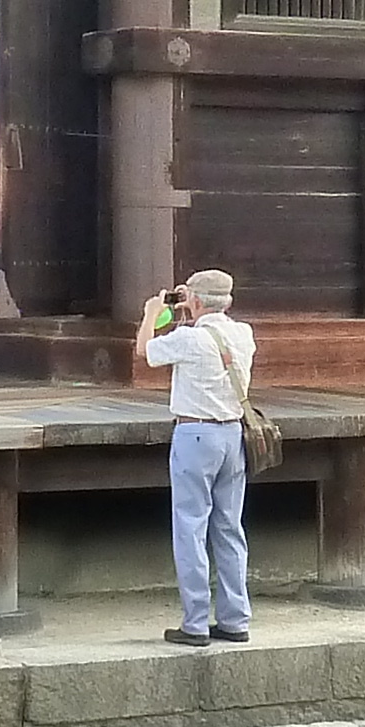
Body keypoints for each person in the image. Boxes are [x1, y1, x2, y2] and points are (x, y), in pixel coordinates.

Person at [139, 270, 255, 645]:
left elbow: (145, 352)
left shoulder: (188, 339)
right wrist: (186, 311)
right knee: (229, 527)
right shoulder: (244, 334)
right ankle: (235, 619)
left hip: (195, 434)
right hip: (233, 434)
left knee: (190, 527)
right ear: (229, 302)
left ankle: (195, 622)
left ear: (196, 301)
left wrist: (152, 313)